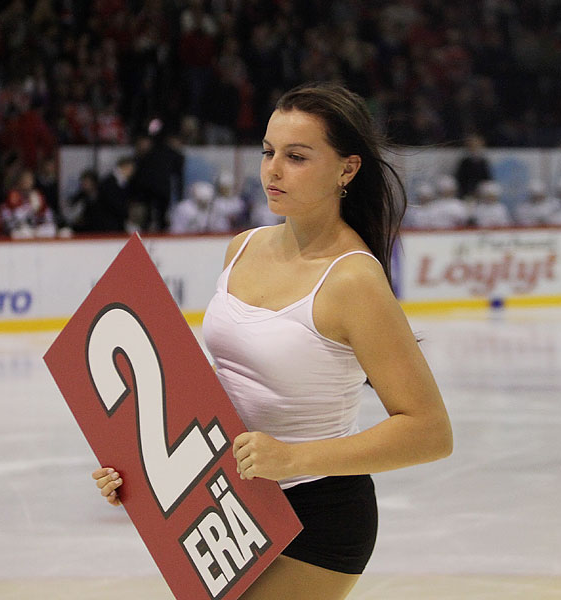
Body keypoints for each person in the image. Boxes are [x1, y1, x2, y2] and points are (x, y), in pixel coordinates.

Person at [92, 82, 452, 600]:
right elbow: (226, 384)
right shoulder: (243, 247)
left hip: (317, 519)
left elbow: (430, 432)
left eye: (297, 156)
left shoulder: (353, 281)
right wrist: (143, 465)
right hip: (226, 509)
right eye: (268, 151)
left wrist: (292, 459)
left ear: (347, 169)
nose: (273, 170)